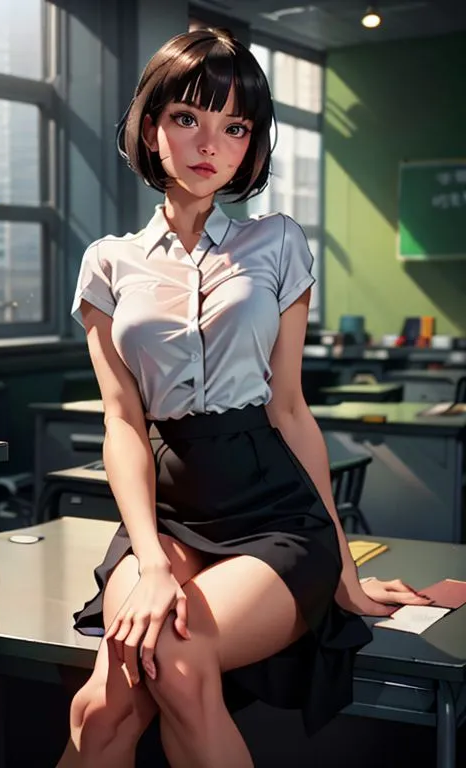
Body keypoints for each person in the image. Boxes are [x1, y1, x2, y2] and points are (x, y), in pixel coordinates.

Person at [57, 27, 432, 768]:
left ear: (251, 144)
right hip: (162, 510)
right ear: (150, 125)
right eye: (188, 118)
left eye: (236, 127)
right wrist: (153, 559)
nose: (211, 144)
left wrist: (345, 567)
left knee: (177, 661)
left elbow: (291, 408)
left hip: (271, 511)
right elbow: (124, 422)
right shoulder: (109, 262)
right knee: (101, 712)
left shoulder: (279, 241)